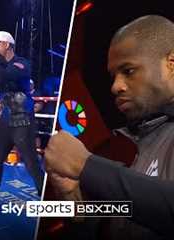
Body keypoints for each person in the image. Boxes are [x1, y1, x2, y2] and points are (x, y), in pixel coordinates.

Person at [44, 15, 174, 239]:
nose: (115, 86)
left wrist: (84, 164)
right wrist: (74, 204)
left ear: (171, 64)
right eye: (113, 76)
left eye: (129, 71)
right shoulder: (120, 146)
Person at [0, 31, 44, 211]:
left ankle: (47, 196)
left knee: (30, 162)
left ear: (7, 45)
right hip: (6, 118)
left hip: (23, 119)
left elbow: (2, 77)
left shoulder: (22, 64)